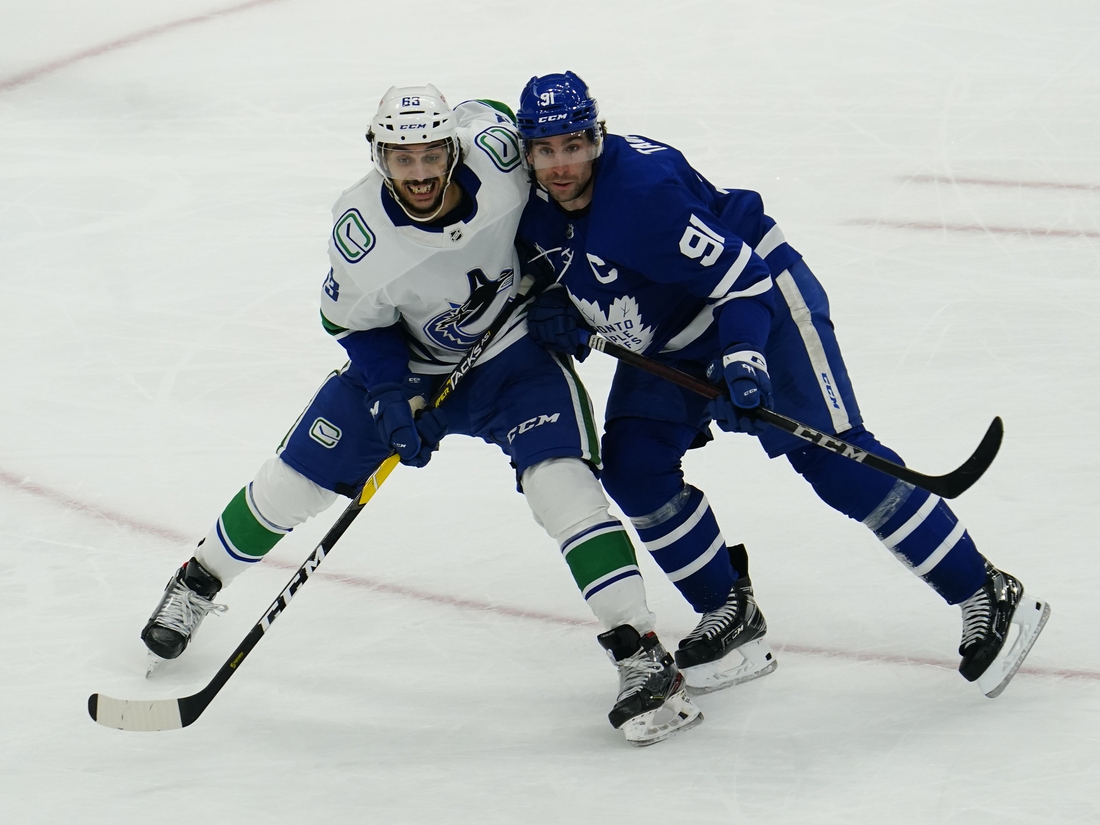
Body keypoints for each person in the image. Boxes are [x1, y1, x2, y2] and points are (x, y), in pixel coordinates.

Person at [139, 84, 702, 746]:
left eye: (432, 156)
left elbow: (538, 170)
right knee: (289, 484)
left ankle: (640, 654)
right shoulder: (360, 232)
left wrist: (556, 290)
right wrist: (387, 389)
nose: (421, 174)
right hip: (411, 366)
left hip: (513, 359)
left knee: (565, 489)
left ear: (453, 148)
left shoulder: (497, 157)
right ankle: (197, 582)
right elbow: (348, 321)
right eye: (403, 160)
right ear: (379, 157)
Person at [514, 71, 1050, 699]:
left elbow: (742, 280)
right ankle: (730, 611)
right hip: (669, 335)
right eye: (546, 149)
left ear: (597, 139)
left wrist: (744, 359)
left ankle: (984, 588)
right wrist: (561, 305)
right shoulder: (529, 205)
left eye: (574, 145)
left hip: (760, 299)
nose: (560, 164)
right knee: (634, 469)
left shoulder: (642, 199)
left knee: (832, 460)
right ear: (526, 151)